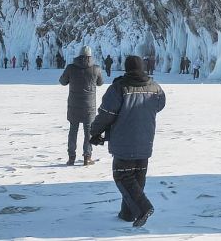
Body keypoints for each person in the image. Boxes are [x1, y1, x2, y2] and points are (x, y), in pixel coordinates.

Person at [90, 55, 166, 228]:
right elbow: (160, 105)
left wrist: (95, 132)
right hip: (145, 141)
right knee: (137, 178)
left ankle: (143, 208)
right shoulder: (155, 87)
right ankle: (127, 214)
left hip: (124, 142)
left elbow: (106, 114)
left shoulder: (119, 88)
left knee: (123, 176)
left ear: (126, 68)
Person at [59, 45, 104, 166]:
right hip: (89, 106)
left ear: (79, 55)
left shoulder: (71, 68)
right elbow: (101, 83)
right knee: (88, 132)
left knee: (73, 131)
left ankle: (71, 157)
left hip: (74, 105)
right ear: (90, 56)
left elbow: (62, 81)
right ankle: (87, 157)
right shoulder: (96, 69)